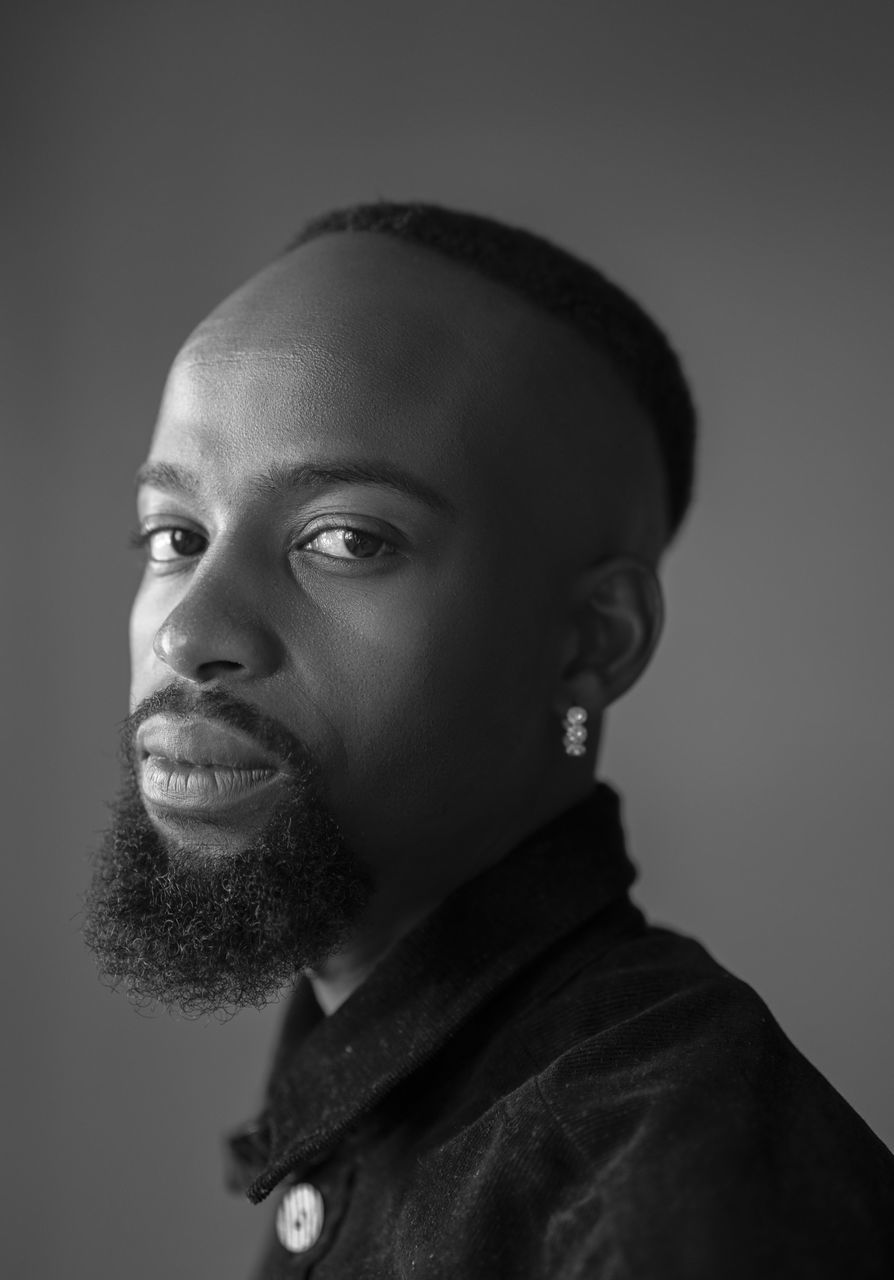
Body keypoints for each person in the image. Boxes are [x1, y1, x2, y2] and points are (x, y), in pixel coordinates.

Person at [83, 202, 894, 1278]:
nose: (189, 630)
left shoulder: (657, 1189)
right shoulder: (394, 1112)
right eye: (174, 535)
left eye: (343, 538)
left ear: (590, 643)